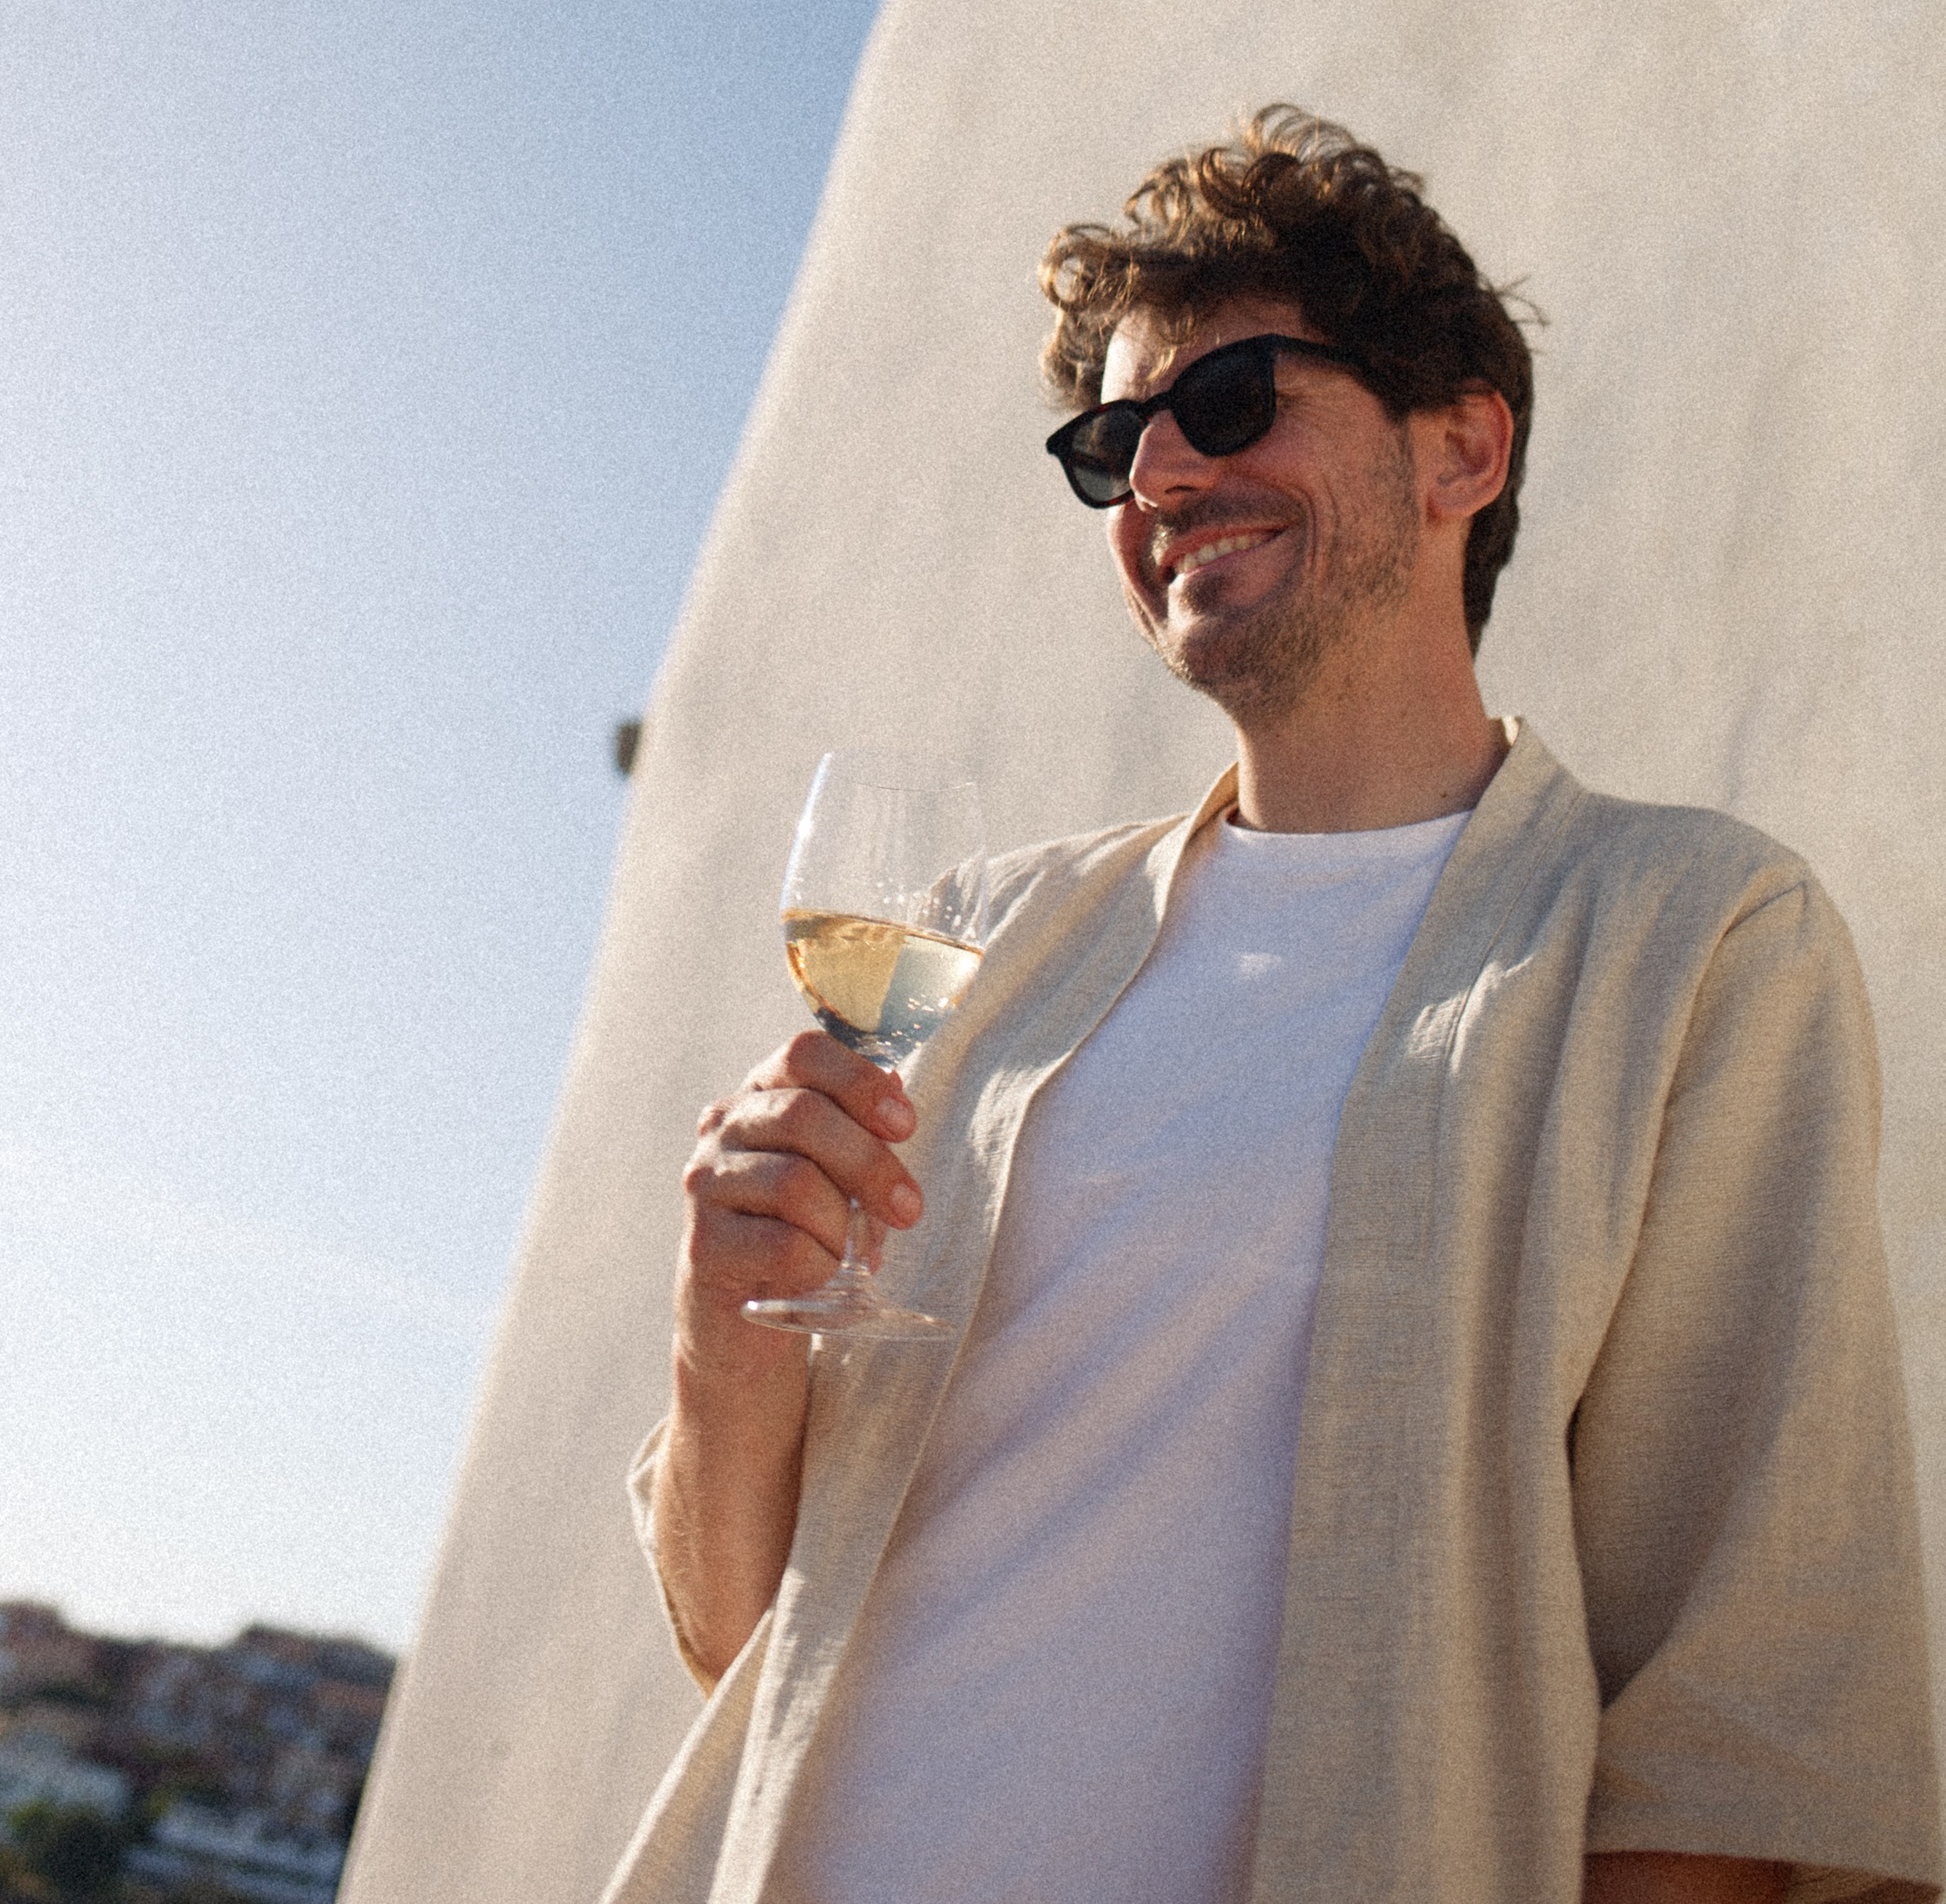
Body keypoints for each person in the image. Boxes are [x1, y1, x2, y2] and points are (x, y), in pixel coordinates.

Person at [610, 111, 1940, 1904]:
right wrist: (723, 1332)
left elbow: (1740, 1693)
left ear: (1461, 444)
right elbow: (739, 1646)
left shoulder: (1687, 938)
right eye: (1108, 441)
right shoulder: (983, 941)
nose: (1156, 470)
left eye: (1228, 399)